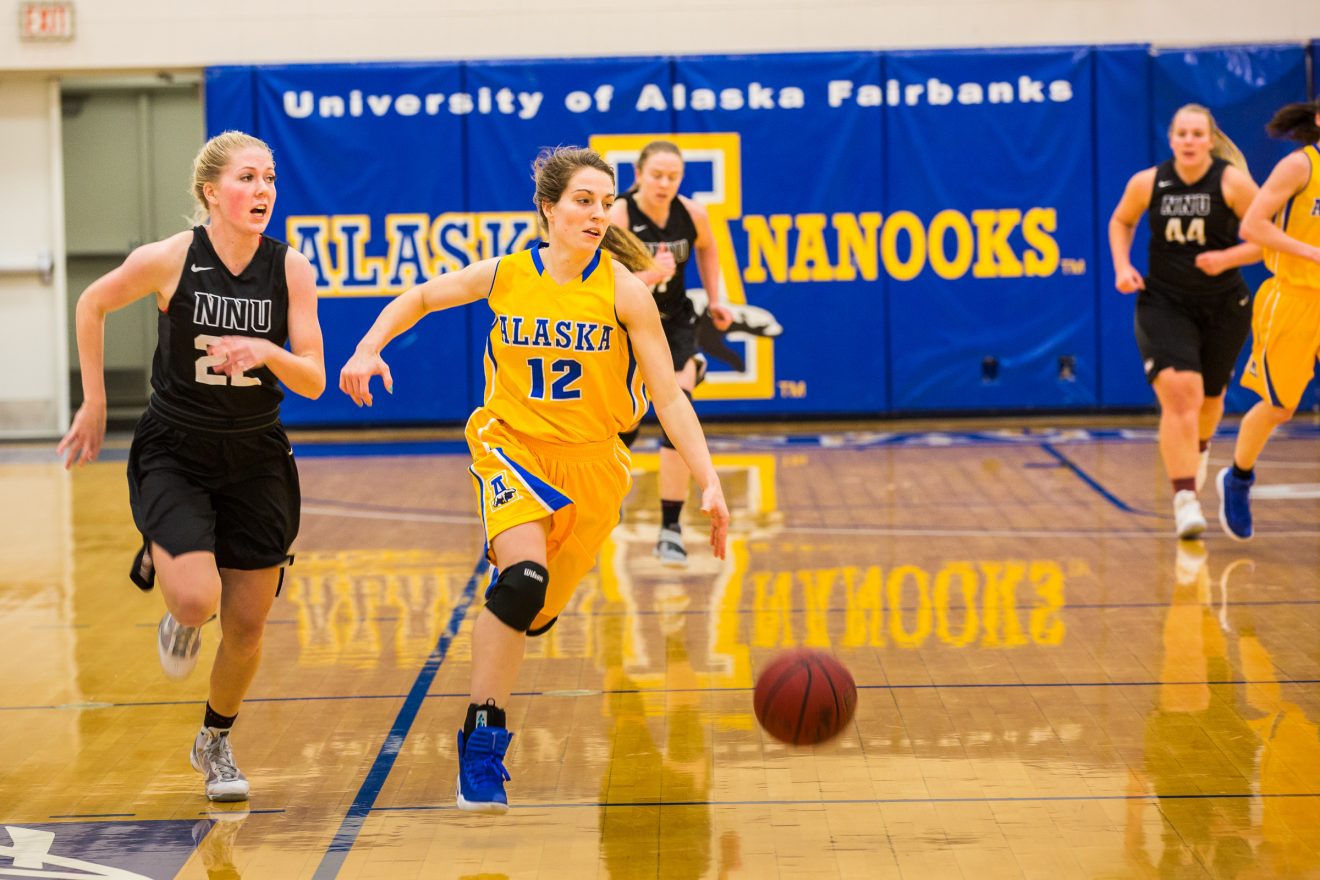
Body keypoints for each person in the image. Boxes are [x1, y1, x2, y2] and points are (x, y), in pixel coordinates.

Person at [339, 145, 730, 814]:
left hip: (594, 466)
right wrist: (368, 346)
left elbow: (668, 397)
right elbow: (424, 295)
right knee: (522, 583)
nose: (596, 213)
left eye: (605, 203)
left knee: (534, 612)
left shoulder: (624, 290)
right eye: (582, 200)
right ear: (547, 207)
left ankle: (516, 617)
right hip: (510, 448)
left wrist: (710, 480)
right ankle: (483, 743)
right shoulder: (508, 273)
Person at [57, 131, 326, 802]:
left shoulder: (289, 269)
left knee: (246, 626)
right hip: (177, 446)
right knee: (197, 599)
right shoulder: (170, 259)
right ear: (211, 191)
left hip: (257, 453)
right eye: (246, 178)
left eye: (268, 178)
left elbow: (315, 379)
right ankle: (173, 584)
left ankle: (215, 740)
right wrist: (93, 400)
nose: (262, 190)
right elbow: (91, 303)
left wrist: (266, 351)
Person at [1109, 104, 1260, 539]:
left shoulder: (1232, 183)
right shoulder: (1148, 182)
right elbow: (1121, 220)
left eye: (1198, 133)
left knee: (1211, 400)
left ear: (1211, 140)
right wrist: (1122, 266)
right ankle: (1184, 498)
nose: (1190, 140)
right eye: (1183, 133)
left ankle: (1198, 450)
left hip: (1223, 304)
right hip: (1164, 301)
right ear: (1172, 139)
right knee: (1181, 393)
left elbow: (1269, 237)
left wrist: (1228, 257)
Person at [608, 141, 734, 566]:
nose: (664, 183)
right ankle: (608, 491)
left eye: (673, 176)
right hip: (629, 317)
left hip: (675, 321)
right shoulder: (620, 215)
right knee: (625, 418)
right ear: (639, 174)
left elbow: (709, 247)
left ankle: (671, 527)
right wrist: (650, 274)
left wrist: (717, 297)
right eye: (656, 175)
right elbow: (603, 283)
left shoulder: (692, 213)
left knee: (677, 408)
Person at [1218, 100, 1320, 540]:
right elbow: (1253, 227)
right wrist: (1311, 252)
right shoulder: (1299, 166)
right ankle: (1238, 478)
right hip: (1294, 295)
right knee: (1281, 405)